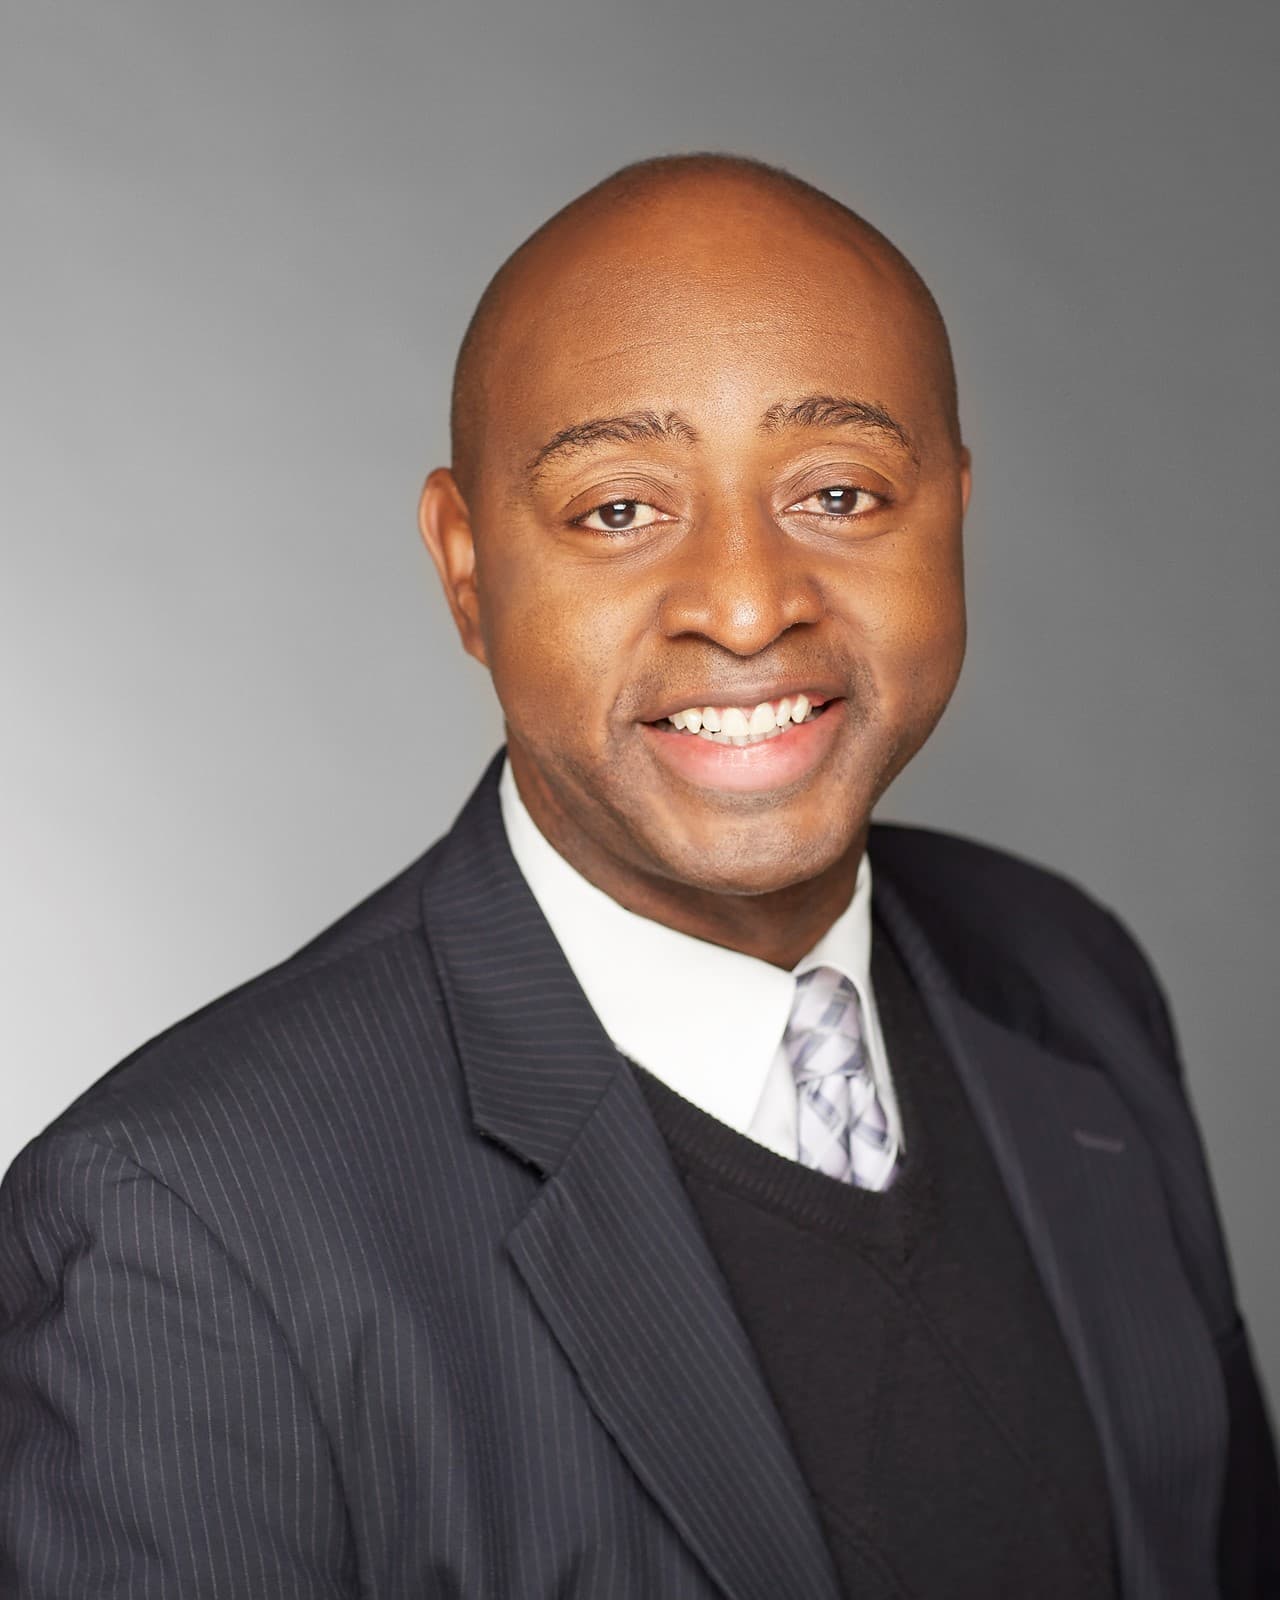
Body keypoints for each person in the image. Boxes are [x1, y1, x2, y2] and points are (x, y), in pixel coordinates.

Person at [1, 153, 1276, 1600]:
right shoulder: (184, 1231)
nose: (745, 604)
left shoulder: (1068, 981)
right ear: (467, 568)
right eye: (618, 510)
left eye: (843, 491)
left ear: (956, 513)